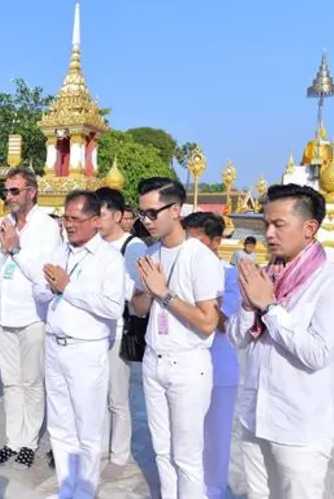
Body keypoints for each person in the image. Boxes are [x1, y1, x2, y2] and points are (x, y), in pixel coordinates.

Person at [227, 184, 334, 499]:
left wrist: (269, 307)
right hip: (255, 416)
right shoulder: (264, 276)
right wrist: (249, 305)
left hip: (298, 425)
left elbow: (317, 352)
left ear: (309, 228)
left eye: (279, 224)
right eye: (266, 224)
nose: (268, 234)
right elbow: (236, 338)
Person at [130, 177, 223, 499]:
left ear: (175, 210)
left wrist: (164, 293)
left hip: (187, 364)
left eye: (152, 213)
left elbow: (208, 322)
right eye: (142, 213)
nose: (146, 221)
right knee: (161, 450)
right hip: (154, 359)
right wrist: (146, 291)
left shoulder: (200, 257)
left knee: (186, 456)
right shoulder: (151, 253)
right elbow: (138, 308)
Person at [33, 191, 125, 499]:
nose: (68, 224)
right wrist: (50, 288)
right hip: (54, 345)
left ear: (95, 221)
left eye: (75, 218)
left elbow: (113, 307)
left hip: (86, 349)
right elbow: (39, 291)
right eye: (65, 218)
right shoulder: (60, 251)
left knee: (87, 426)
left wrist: (68, 287)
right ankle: (66, 487)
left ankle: (85, 489)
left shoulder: (109, 258)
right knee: (60, 425)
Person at [0, 167, 62, 469]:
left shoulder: (47, 226)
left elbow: (43, 274)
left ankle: (29, 442)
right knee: (11, 383)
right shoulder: (2, 224)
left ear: (31, 192)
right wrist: (4, 249)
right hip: (4, 315)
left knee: (32, 382)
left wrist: (15, 248)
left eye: (15, 191)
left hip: (33, 316)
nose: (8, 196)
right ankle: (13, 440)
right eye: (6, 191)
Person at [183, 212, 241, 499]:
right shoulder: (178, 271)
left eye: (197, 242)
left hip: (219, 368)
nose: (190, 249)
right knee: (184, 437)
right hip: (183, 367)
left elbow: (219, 321)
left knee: (216, 437)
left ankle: (213, 490)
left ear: (216, 242)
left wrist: (196, 303)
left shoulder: (230, 276)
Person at [94, 187, 146, 479]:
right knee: (98, 394)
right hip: (94, 329)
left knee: (117, 397)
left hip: (118, 328)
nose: (96, 221)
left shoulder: (132, 247)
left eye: (100, 214)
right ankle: (100, 448)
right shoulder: (95, 244)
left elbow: (138, 293)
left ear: (117, 215)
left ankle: (119, 454)